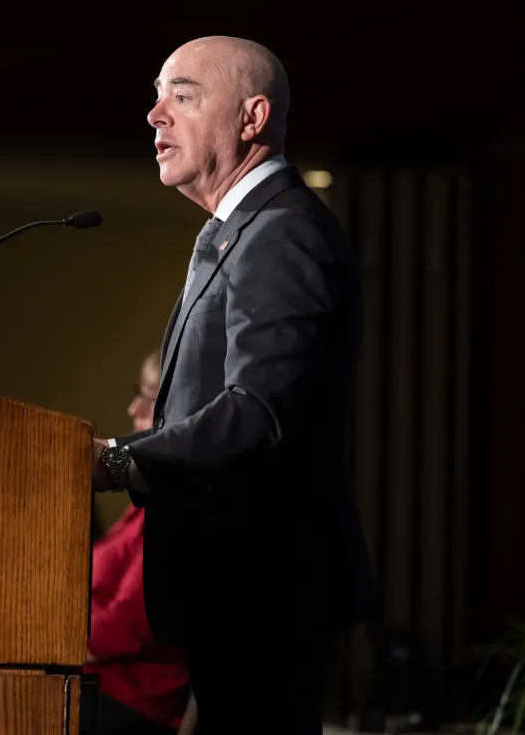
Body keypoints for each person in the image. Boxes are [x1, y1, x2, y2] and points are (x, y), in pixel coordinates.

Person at [89, 36, 377, 733]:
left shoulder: (279, 231)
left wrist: (121, 458)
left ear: (251, 118)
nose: (156, 115)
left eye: (182, 95)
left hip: (264, 593)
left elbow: (257, 413)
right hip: (236, 594)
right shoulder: (241, 229)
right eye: (156, 97)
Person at [85, 352, 191, 735]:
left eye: (147, 395)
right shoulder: (144, 501)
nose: (133, 407)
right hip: (96, 677)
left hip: (130, 697)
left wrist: (60, 636)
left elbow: (137, 613)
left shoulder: (174, 503)